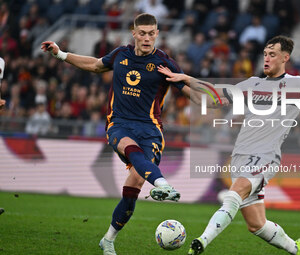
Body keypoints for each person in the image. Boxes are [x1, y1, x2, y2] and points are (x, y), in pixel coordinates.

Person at [158, 35, 300, 255]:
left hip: (265, 157)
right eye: (265, 54)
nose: (266, 58)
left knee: (234, 193)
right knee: (257, 225)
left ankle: (200, 243)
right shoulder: (252, 84)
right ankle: (298, 249)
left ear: (285, 57)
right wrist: (180, 82)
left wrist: (186, 77)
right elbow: (210, 99)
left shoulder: (298, 84)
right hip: (240, 157)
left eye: (272, 54)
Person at [41, 13, 190, 255]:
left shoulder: (165, 63)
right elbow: (94, 65)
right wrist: (60, 54)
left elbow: (188, 89)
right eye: (142, 33)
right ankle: (163, 184)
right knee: (132, 150)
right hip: (119, 124)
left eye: (151, 33)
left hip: (151, 130)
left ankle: (108, 239)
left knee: (135, 185)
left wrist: (203, 92)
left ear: (157, 34)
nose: (146, 38)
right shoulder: (121, 54)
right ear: (133, 33)